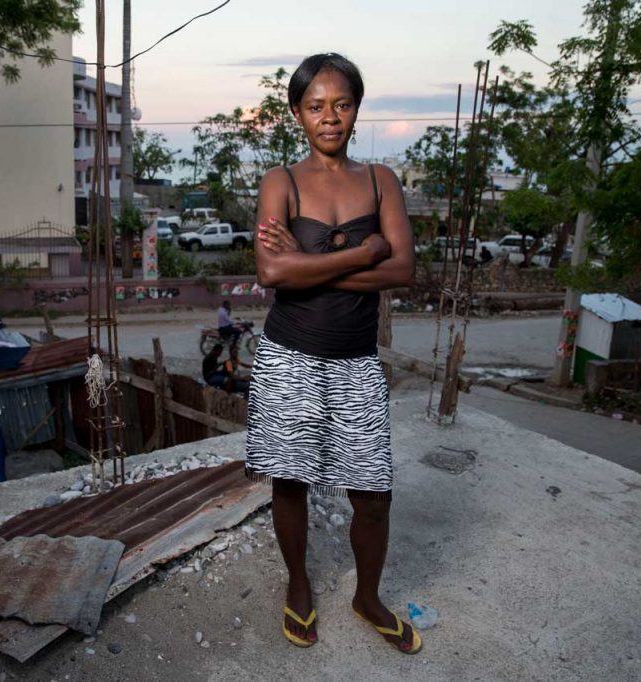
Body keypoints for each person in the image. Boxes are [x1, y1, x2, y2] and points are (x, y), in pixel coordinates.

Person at [247, 53, 420, 654]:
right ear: (297, 113)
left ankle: (367, 597)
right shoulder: (281, 183)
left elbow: (404, 269)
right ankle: (299, 584)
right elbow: (271, 270)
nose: (330, 117)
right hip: (289, 359)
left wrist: (310, 265)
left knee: (374, 493)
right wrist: (361, 253)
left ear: (356, 110)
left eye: (341, 105)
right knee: (290, 482)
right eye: (316, 106)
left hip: (356, 362)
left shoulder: (380, 180)